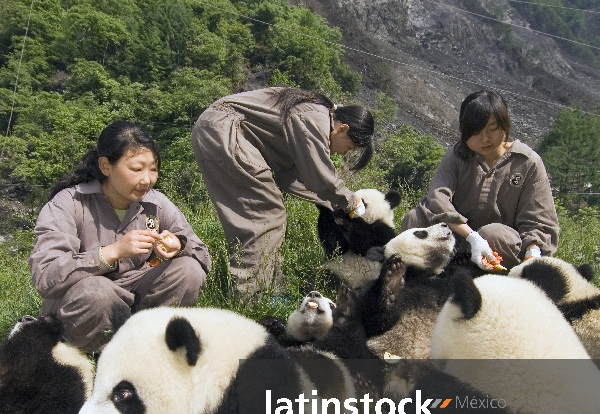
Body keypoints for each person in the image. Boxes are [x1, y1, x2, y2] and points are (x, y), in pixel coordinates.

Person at [30, 121, 211, 354]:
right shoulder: (68, 203)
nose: (147, 179)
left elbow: (201, 253)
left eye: (153, 169)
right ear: (106, 166)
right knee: (97, 293)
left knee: (188, 270)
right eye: (136, 169)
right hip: (83, 305)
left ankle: (151, 348)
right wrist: (111, 252)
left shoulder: (156, 203)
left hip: (136, 295)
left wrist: (179, 245)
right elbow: (45, 276)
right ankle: (89, 358)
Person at [191, 86, 375, 294]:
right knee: (263, 215)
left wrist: (333, 204)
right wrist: (351, 202)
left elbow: (293, 176)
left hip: (220, 130)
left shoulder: (314, 115)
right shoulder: (314, 117)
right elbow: (320, 175)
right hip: (224, 131)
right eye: (349, 147)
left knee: (271, 215)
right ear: (343, 128)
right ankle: (252, 296)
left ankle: (271, 289)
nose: (343, 154)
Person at [401, 90, 559, 270]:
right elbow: (438, 199)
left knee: (492, 234)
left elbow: (539, 221)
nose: (485, 139)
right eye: (476, 132)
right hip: (457, 238)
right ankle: (413, 279)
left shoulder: (527, 162)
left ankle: (482, 279)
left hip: (499, 246)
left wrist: (532, 253)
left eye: (492, 129)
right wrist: (471, 237)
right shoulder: (457, 155)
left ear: (505, 125)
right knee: (415, 218)